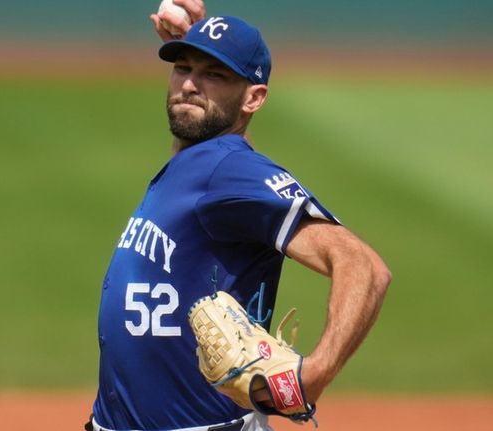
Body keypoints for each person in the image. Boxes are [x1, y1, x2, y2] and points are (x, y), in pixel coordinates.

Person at [87, 3, 391, 430]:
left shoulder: (229, 169)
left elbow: (364, 266)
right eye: (183, 68)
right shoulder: (194, 161)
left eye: (215, 75)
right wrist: (197, 38)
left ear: (254, 97)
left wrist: (315, 374)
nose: (189, 84)